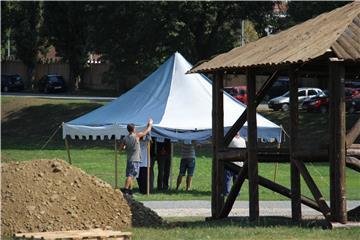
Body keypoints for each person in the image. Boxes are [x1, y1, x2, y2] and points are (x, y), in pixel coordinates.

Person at [119, 118, 153, 195]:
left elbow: (121, 148)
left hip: (129, 159)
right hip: (135, 160)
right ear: (133, 129)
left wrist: (126, 147)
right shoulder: (136, 136)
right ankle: (126, 190)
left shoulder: (125, 138)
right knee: (130, 176)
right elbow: (146, 132)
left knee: (131, 176)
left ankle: (130, 191)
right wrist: (150, 124)